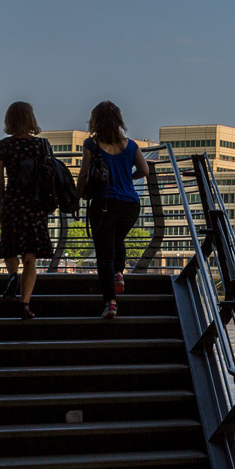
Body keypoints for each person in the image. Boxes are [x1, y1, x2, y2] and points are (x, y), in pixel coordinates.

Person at [77, 101, 148, 319]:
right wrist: (128, 177)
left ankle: (110, 303)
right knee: (118, 239)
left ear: (95, 120)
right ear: (119, 120)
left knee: (104, 255)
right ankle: (119, 274)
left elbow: (84, 174)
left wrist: (77, 195)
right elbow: (144, 170)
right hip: (130, 205)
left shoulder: (92, 144)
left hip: (104, 203)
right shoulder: (132, 145)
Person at [0, 101, 54, 320]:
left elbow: (0, 180)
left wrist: (3, 202)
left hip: (12, 202)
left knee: (10, 248)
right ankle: (25, 304)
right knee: (31, 257)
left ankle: (12, 276)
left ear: (9, 120)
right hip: (35, 205)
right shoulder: (43, 145)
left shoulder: (2, 146)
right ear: (31, 119)